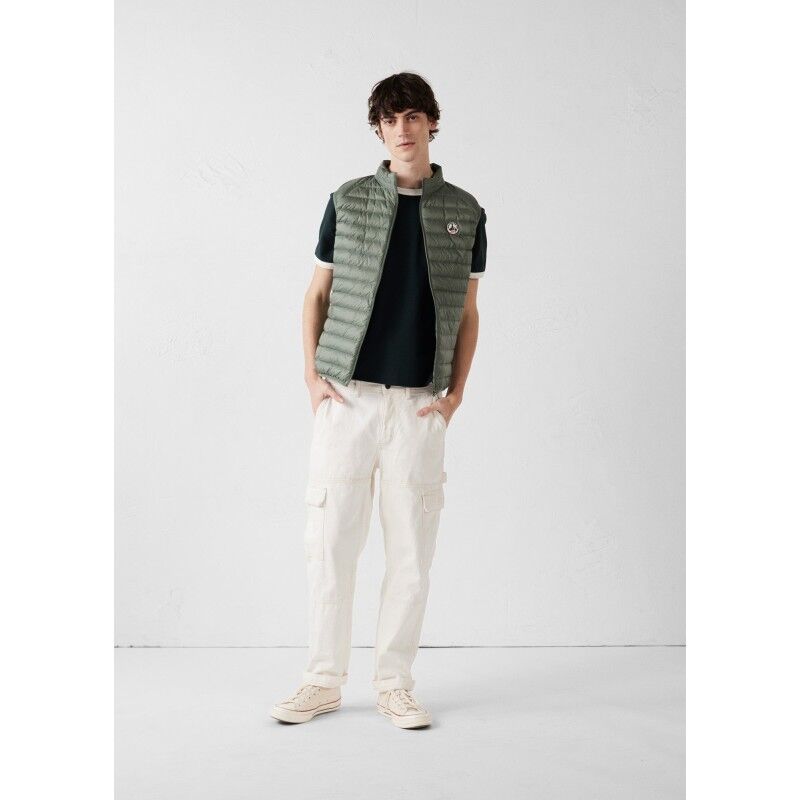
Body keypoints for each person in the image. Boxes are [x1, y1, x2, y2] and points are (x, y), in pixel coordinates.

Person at [271, 72, 487, 729]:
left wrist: (455, 396)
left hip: (419, 405)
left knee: (412, 557)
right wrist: (312, 380)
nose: (402, 129)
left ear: (431, 123)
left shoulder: (465, 211)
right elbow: (316, 294)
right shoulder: (348, 200)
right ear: (378, 129)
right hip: (348, 398)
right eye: (390, 119)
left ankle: (395, 683)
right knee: (329, 545)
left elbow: (469, 312)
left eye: (413, 116)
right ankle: (321, 681)